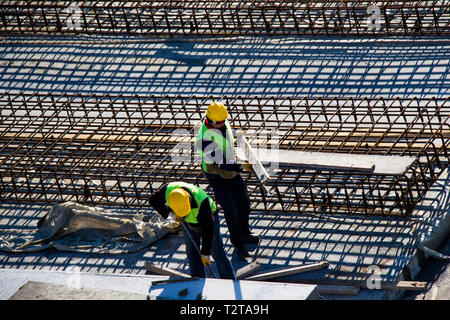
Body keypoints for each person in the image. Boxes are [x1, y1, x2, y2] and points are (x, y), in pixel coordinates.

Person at [195, 101, 259, 260]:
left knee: (243, 202)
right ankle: (239, 245)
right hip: (216, 173)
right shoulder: (204, 139)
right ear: (209, 120)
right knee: (230, 209)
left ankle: (245, 232)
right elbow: (221, 162)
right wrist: (238, 167)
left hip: (230, 166)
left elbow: (228, 137)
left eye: (224, 121)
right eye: (219, 122)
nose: (223, 124)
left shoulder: (221, 121)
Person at [149, 181, 235, 279]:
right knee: (192, 251)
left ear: (189, 202)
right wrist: (170, 213)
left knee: (217, 251)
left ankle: (228, 279)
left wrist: (205, 253)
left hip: (209, 219)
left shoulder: (202, 203)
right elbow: (153, 200)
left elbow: (208, 231)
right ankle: (197, 279)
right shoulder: (168, 191)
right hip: (188, 222)